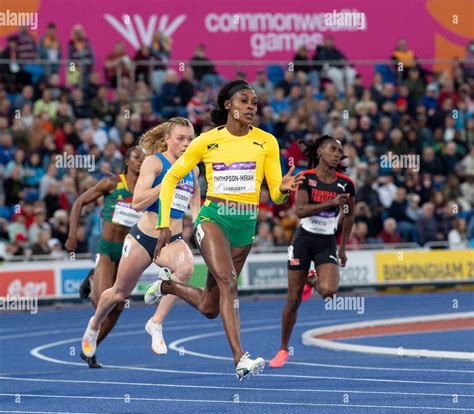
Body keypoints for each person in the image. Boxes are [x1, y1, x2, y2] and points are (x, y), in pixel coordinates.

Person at [148, 80, 304, 380]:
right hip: (213, 218)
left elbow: (275, 194)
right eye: (244, 101)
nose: (250, 107)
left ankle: (166, 286)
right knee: (229, 284)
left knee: (210, 306)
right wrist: (164, 223)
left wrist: (283, 189)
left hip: (245, 225)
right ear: (229, 106)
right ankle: (240, 358)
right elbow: (170, 179)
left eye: (254, 102)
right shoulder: (206, 141)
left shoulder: (267, 142)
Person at [81, 118, 200, 360]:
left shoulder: (193, 168)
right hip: (143, 238)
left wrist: (201, 224)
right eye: (180, 138)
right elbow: (137, 202)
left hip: (171, 240)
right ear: (167, 139)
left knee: (186, 268)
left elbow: (195, 202)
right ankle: (94, 326)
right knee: (118, 294)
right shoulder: (154, 162)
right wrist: (166, 183)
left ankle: (156, 323)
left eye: (190, 139)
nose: (186, 144)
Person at [269, 135, 355, 368]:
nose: (337, 154)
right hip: (303, 240)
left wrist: (343, 247)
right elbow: (300, 211)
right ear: (319, 152)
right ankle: (283, 349)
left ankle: (312, 278)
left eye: (340, 151)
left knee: (328, 291)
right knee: (293, 299)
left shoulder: (346, 184)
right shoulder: (305, 178)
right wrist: (331, 203)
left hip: (326, 241)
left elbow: (349, 217)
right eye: (332, 150)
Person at [66, 147, 144, 367]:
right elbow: (79, 202)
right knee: (103, 304)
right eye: (137, 158)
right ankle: (93, 278)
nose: (141, 162)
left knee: (118, 306)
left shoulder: (147, 189)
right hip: (108, 249)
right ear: (127, 161)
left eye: (144, 159)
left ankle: (89, 349)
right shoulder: (112, 183)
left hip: (129, 254)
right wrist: (72, 235)